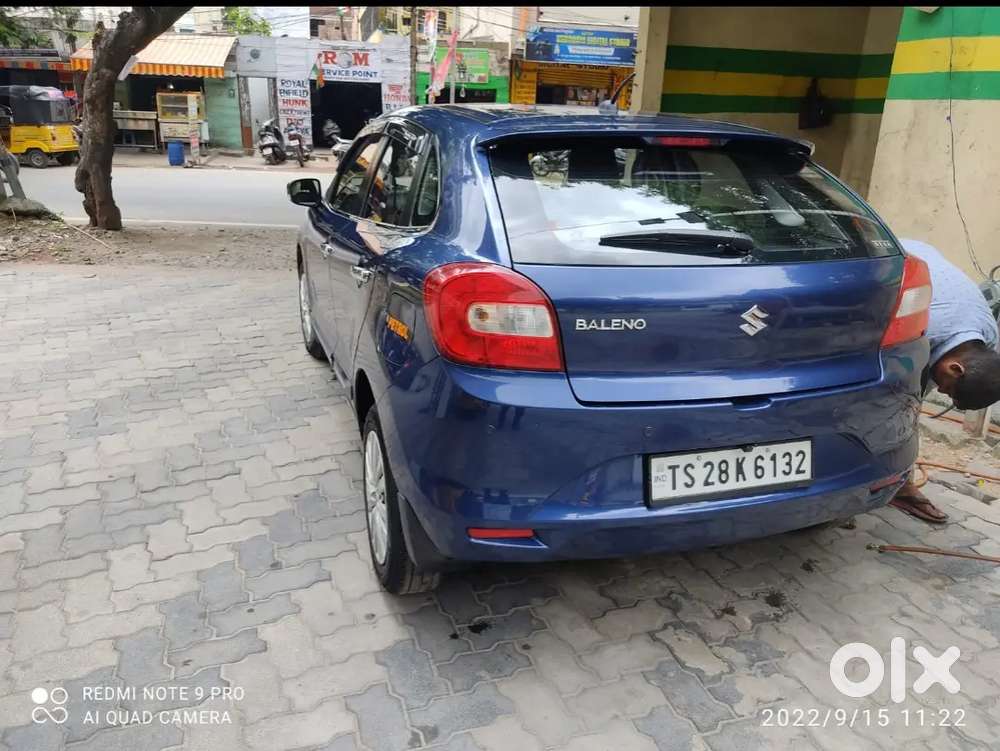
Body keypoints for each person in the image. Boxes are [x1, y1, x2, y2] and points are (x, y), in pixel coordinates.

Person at [889, 238, 1000, 523]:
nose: (941, 391)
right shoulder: (924, 328)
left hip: (923, 255)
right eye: (948, 389)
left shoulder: (987, 336)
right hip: (893, 255)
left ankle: (900, 485)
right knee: (893, 408)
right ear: (955, 368)